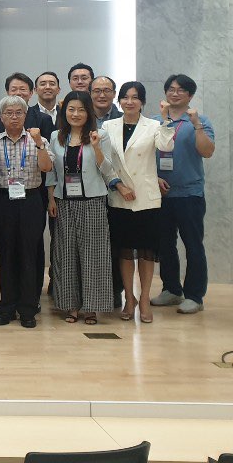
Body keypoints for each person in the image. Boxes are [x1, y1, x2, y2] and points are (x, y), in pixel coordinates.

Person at [104, 82, 174, 324]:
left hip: (145, 198)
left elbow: (166, 146)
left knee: (146, 253)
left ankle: (144, 299)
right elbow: (105, 161)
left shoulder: (154, 125)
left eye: (135, 97)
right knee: (124, 252)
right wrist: (117, 185)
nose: (130, 101)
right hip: (119, 196)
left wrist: (166, 119)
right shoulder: (108, 126)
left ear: (142, 101)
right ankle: (129, 298)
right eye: (125, 97)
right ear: (119, 101)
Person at [45, 91, 116, 324]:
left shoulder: (100, 135)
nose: (76, 114)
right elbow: (52, 172)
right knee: (66, 254)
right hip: (64, 201)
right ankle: (70, 305)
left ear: (89, 112)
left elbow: (108, 170)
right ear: (64, 112)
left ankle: (92, 307)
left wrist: (96, 147)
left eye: (81, 110)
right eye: (71, 109)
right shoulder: (56, 136)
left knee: (94, 255)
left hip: (93, 201)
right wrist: (51, 198)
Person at [151, 74, 215, 314]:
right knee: (164, 244)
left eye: (180, 90)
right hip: (159, 194)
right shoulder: (154, 121)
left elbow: (207, 151)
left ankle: (195, 296)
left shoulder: (200, 121)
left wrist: (196, 124)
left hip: (189, 194)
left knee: (193, 245)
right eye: (171, 89)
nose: (174, 93)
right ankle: (171, 290)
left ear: (190, 95)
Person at [0, 96, 54, 328]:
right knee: (6, 254)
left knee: (29, 254)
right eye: (9, 113)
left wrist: (39, 145)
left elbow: (47, 167)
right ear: (1, 117)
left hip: (31, 200)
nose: (14, 117)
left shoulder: (39, 140)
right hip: (2, 200)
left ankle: (28, 308)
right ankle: (6, 307)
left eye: (19, 112)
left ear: (26, 116)